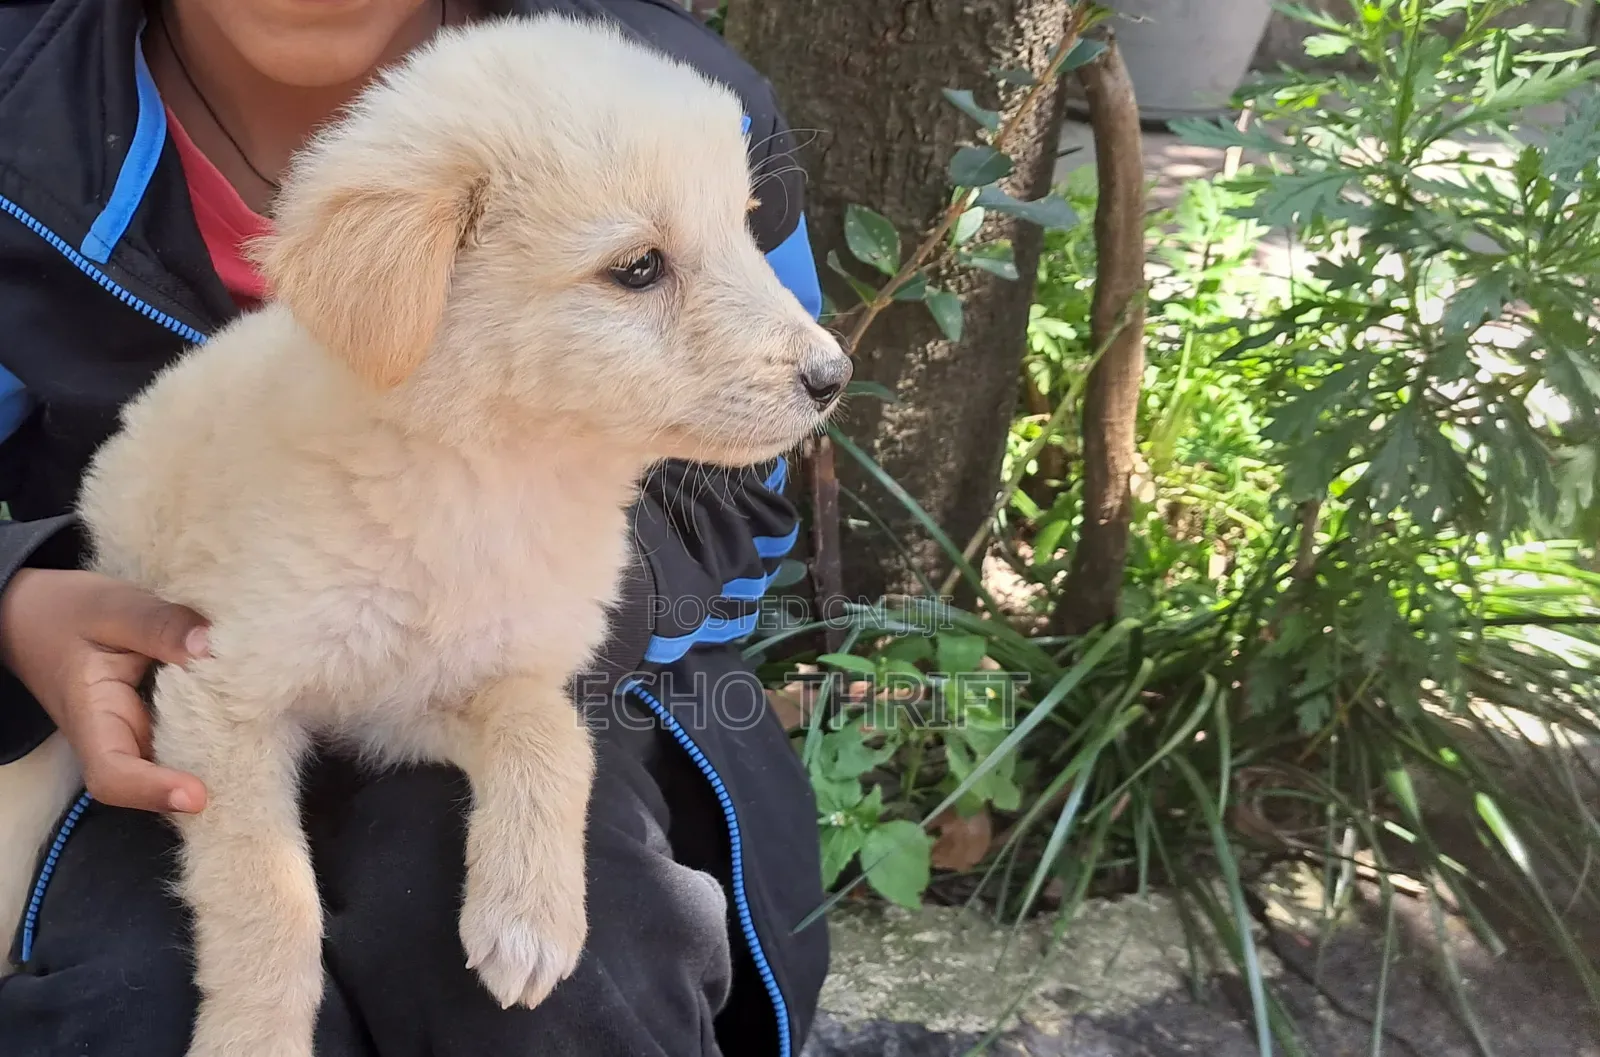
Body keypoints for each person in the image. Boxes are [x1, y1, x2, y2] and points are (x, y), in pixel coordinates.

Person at [0, 1, 829, 1054]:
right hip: (138, 672)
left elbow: (746, 490)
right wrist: (18, 592)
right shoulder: (17, 114)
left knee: (569, 984)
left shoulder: (675, 84)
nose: (814, 352)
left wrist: (530, 608)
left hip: (577, 677)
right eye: (636, 270)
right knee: (133, 1002)